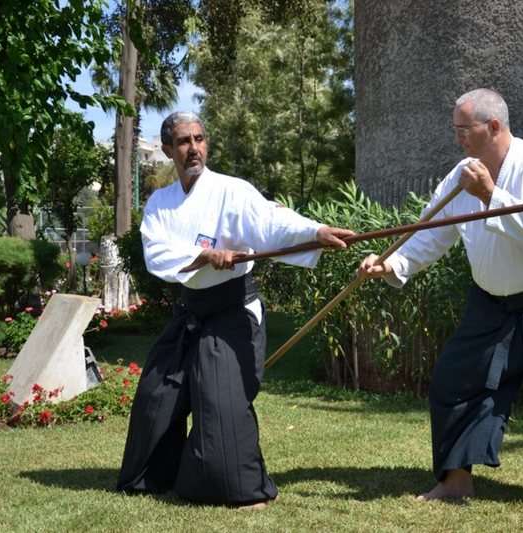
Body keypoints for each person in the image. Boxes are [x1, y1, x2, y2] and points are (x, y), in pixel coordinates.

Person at [359, 89, 523, 505]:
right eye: (455, 130)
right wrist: (393, 264)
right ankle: (455, 482)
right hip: (492, 301)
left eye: (464, 129)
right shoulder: (460, 175)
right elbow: (431, 232)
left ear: (494, 126)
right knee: (455, 380)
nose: (458, 138)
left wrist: (490, 195)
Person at [116, 111, 354, 509]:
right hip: (190, 311)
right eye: (183, 141)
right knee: (156, 395)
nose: (193, 148)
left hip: (232, 311)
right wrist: (204, 256)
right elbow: (156, 253)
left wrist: (315, 233)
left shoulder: (232, 191)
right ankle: (155, 478)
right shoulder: (160, 203)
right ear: (168, 149)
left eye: (199, 138)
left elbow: (271, 221)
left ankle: (240, 488)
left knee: (220, 403)